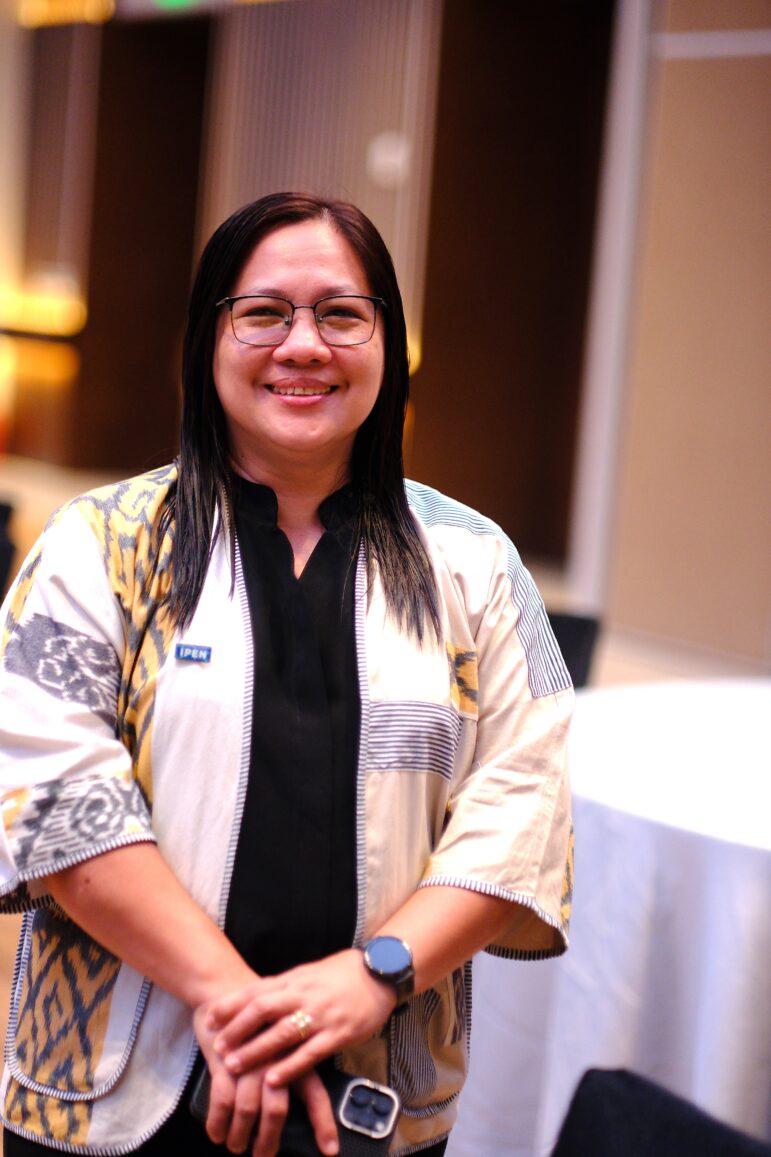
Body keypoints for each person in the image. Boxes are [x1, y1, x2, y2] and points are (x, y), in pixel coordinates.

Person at [0, 192, 574, 1157]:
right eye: (263, 312)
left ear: (387, 341)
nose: (302, 344)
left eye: (341, 313)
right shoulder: (96, 545)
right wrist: (241, 1006)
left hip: (374, 1084)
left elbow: (522, 806)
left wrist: (368, 977)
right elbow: (51, 796)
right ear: (208, 339)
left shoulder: (474, 563)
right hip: (113, 1083)